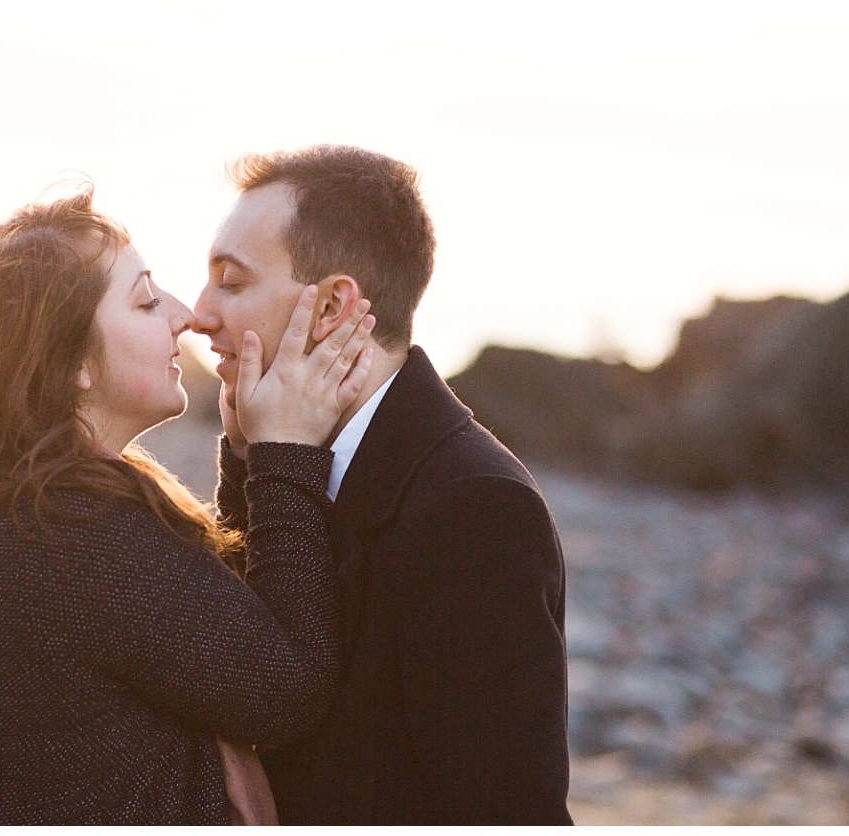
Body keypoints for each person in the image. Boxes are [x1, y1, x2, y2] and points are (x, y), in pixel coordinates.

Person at [0, 185, 377, 824]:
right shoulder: (67, 533)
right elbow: (285, 687)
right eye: (147, 301)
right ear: (68, 363)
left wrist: (245, 459)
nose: (187, 316)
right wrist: (287, 456)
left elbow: (213, 640)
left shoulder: (7, 515)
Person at [193, 144, 573, 824]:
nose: (200, 314)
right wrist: (252, 461)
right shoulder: (288, 456)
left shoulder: (477, 509)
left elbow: (509, 811)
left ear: (333, 304)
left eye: (232, 281)